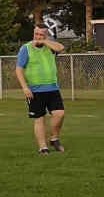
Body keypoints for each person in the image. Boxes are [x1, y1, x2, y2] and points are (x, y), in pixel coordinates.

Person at [15, 23, 66, 155]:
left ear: (46, 35)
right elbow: (19, 69)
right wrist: (25, 88)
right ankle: (43, 147)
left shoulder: (50, 47)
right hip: (35, 91)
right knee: (39, 118)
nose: (38, 37)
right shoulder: (25, 49)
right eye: (36, 34)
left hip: (53, 88)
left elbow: (61, 48)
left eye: (41, 35)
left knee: (59, 114)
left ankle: (54, 138)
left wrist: (45, 41)